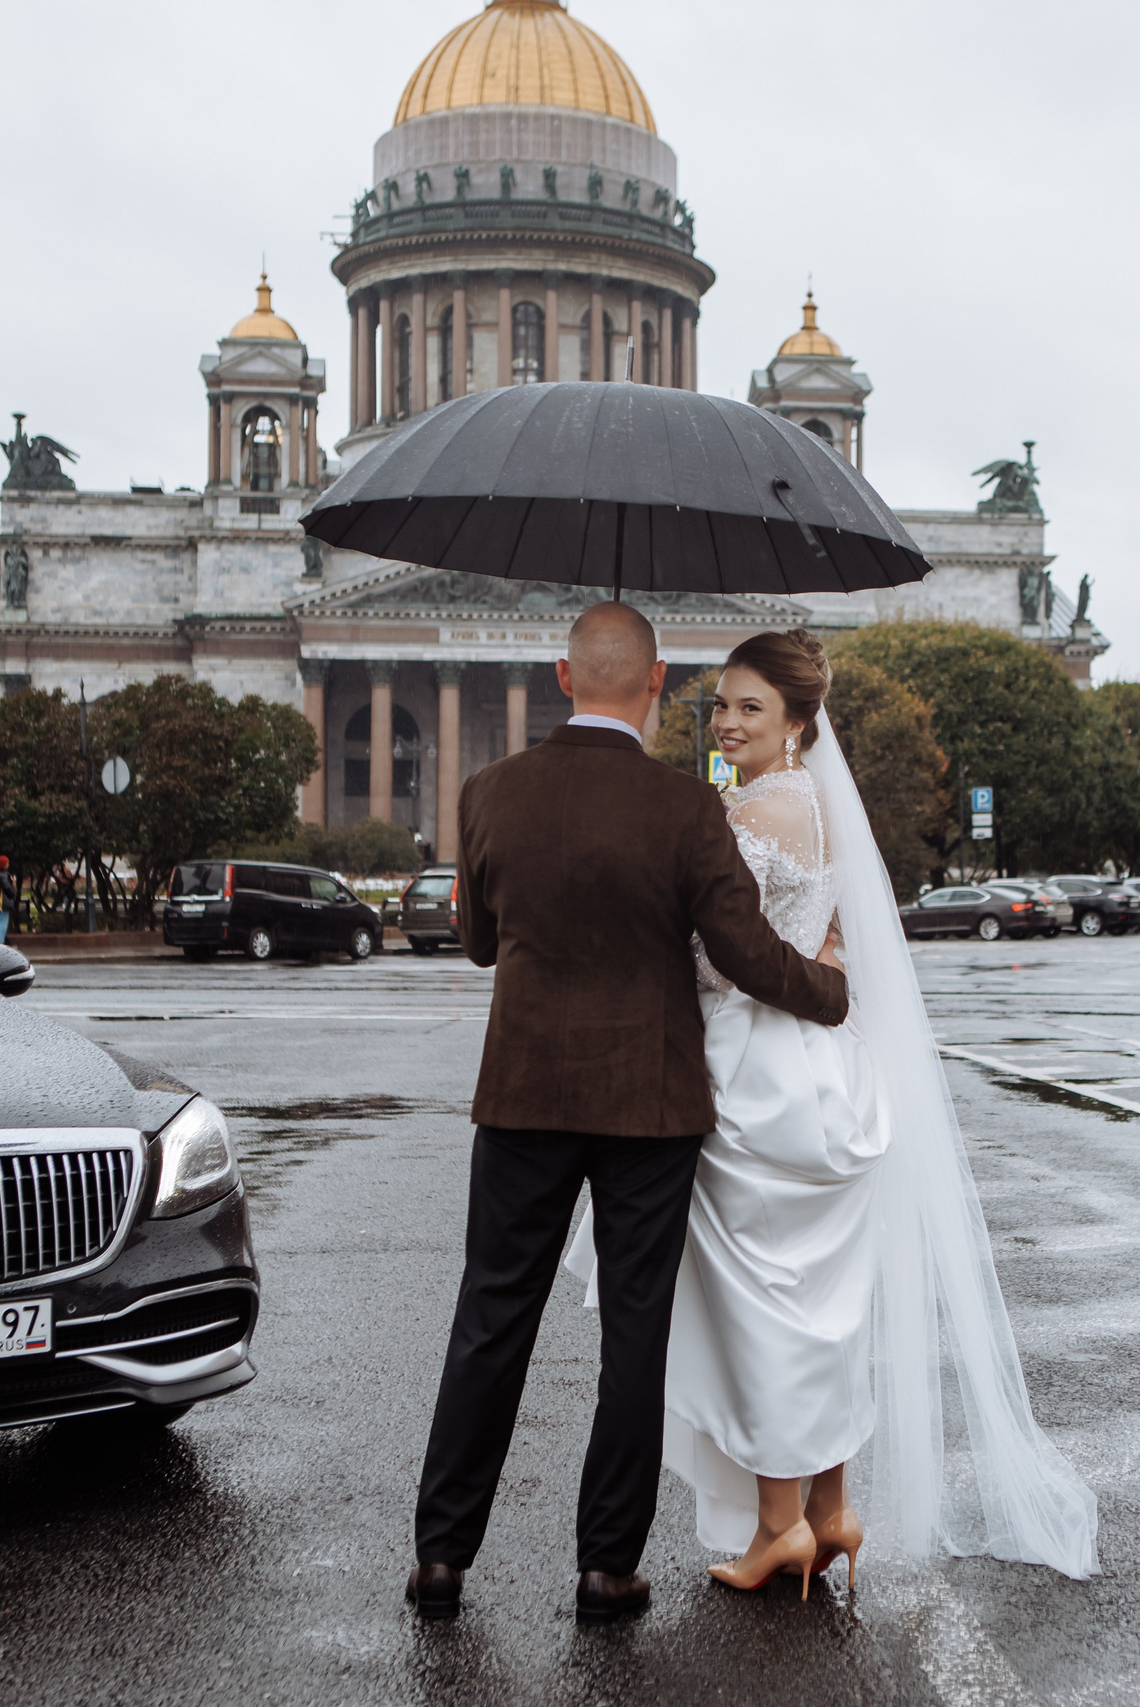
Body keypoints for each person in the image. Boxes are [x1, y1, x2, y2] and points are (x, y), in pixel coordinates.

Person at [570, 630, 1098, 1593]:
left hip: (751, 1071)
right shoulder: (818, 808)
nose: (727, 721)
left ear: (799, 722)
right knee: (823, 1309)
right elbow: (838, 938)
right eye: (721, 704)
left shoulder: (741, 814)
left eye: (750, 709)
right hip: (827, 1071)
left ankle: (780, 1528)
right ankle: (832, 1509)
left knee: (763, 1312)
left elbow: (710, 952)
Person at [406, 602, 849, 1629]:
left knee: (490, 1321)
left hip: (522, 1095)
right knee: (632, 1340)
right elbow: (741, 953)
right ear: (655, 686)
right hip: (651, 1103)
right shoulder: (685, 809)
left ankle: (441, 1555)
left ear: (563, 679)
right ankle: (607, 1570)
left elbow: (478, 943)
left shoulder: (488, 794)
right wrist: (833, 993)